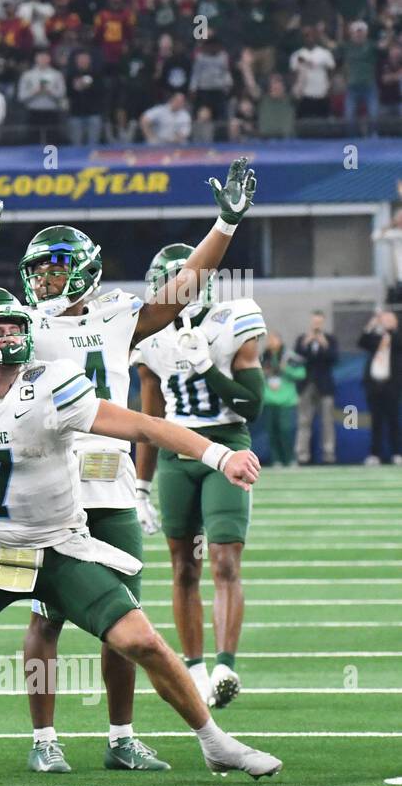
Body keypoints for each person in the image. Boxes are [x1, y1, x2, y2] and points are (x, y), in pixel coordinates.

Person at [0, 287, 281, 781]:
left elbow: (144, 426)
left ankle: (215, 744)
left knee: (143, 642)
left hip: (60, 547)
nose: (10, 338)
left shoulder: (52, 385)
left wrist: (219, 456)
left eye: (15, 328)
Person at [0, 158, 258, 772]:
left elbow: (183, 289)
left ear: (86, 271)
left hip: (111, 483)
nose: (43, 280)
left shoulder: (119, 316)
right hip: (47, 487)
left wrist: (224, 225)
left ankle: (121, 736)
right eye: (36, 270)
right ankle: (44, 740)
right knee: (46, 617)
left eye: (55, 268)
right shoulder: (22, 325)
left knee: (124, 615)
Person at [135, 246, 268, 709]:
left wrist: (208, 366)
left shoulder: (233, 320)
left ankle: (226, 663)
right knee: (183, 567)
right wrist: (141, 484)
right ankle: (194, 669)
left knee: (225, 562)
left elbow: (253, 405)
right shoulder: (149, 336)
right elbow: (148, 415)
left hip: (227, 446)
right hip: (176, 452)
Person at [293, 311, 338, 465]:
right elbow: (296, 359)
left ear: (323, 323)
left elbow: (335, 359)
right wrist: (306, 343)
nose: (317, 325)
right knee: (304, 421)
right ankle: (302, 456)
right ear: (311, 322)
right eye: (315, 322)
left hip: (325, 386)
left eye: (320, 322)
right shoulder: (302, 339)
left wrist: (324, 343)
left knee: (327, 421)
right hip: (306, 385)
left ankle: (328, 454)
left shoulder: (330, 339)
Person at [359, 309, 402, 464]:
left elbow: (396, 342)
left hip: (392, 384)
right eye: (384, 319)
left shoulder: (397, 336)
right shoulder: (375, 337)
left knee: (393, 421)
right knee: (376, 421)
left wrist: (389, 331)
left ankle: (397, 453)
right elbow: (362, 342)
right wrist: (372, 324)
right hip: (374, 385)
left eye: (388, 319)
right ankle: (375, 454)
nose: (385, 321)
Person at [258, 332, 303, 467]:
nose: (271, 342)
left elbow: (301, 373)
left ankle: (290, 458)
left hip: (286, 400)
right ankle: (276, 459)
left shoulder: (290, 357)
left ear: (280, 340)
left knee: (286, 430)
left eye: (274, 339)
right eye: (269, 339)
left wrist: (287, 370)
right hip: (269, 399)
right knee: (272, 432)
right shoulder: (262, 357)